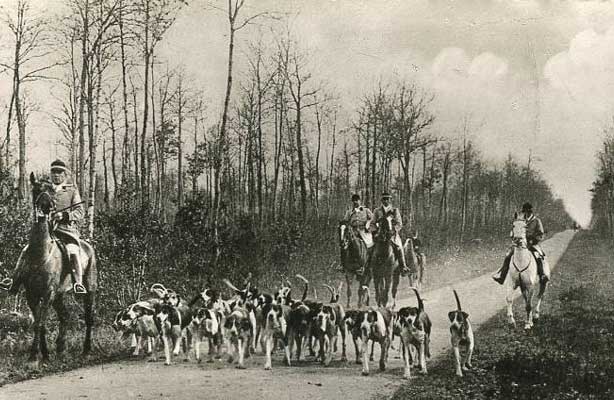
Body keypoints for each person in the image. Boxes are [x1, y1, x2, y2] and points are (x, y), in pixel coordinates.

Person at [1, 159, 87, 294]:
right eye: (54, 172)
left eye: (59, 172)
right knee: (26, 250)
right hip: (47, 230)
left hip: (66, 231)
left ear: (65, 174)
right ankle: (13, 281)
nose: (56, 175)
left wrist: (64, 215)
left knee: (72, 251)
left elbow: (80, 212)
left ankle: (78, 283)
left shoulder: (71, 191)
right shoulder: (45, 189)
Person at [492, 202, 550, 285]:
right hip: (521, 244)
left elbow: (541, 234)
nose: (526, 213)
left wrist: (533, 240)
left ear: (530, 212)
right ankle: (502, 277)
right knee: (508, 255)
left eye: (527, 212)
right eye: (524, 212)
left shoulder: (537, 221)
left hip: (532, 243)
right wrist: (514, 237)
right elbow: (515, 231)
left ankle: (542, 275)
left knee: (538, 255)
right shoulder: (521, 221)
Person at [370, 192, 409, 275]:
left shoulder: (394, 210)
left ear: (390, 200)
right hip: (380, 234)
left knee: (399, 247)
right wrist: (375, 232)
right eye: (384, 199)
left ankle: (403, 266)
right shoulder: (377, 211)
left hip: (392, 234)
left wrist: (394, 230)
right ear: (381, 200)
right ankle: (368, 266)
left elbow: (399, 223)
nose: (386, 201)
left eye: (387, 199)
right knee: (371, 247)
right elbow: (372, 223)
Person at [340, 194, 374, 275]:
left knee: (370, 244)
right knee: (344, 246)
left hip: (364, 231)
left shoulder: (366, 210)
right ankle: (343, 264)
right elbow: (345, 221)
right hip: (353, 231)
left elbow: (372, 219)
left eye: (357, 200)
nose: (355, 202)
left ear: (360, 201)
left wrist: (368, 223)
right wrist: (344, 225)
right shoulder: (349, 212)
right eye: (354, 201)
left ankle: (370, 264)